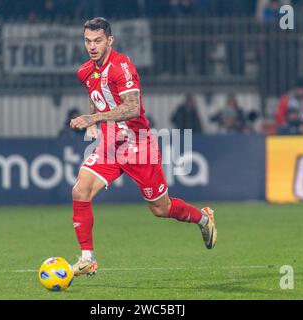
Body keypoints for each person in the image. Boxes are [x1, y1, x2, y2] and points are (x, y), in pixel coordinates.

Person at [68, 17, 217, 276]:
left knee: (161, 208)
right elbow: (97, 98)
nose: (92, 46)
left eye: (98, 41)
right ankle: (87, 259)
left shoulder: (121, 66)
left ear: (110, 41)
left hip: (138, 146)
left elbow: (133, 107)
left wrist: (93, 119)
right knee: (80, 190)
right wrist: (94, 122)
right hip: (110, 146)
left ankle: (203, 218)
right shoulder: (85, 72)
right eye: (87, 41)